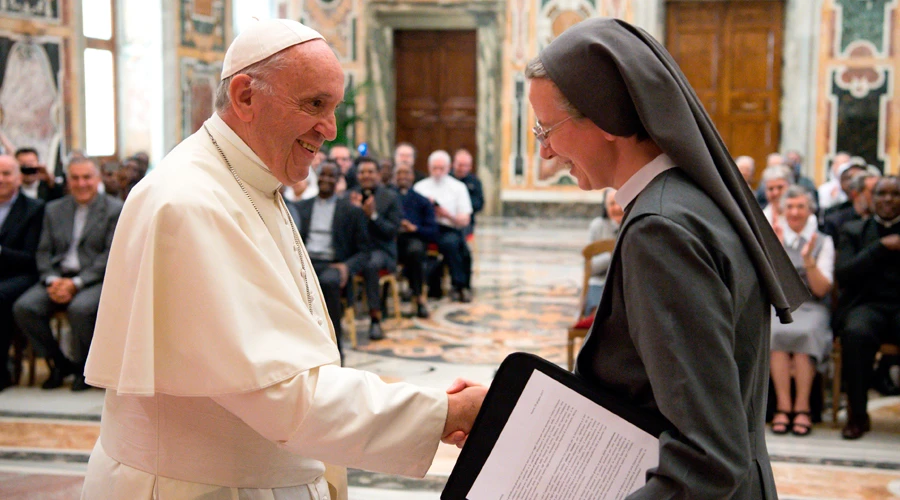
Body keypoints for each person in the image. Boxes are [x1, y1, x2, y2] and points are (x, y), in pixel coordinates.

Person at [81, 20, 485, 498]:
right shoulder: (189, 201)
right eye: (315, 104)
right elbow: (281, 392)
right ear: (246, 96)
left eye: (333, 108)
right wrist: (449, 413)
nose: (331, 129)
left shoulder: (249, 179)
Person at [527, 18, 807, 497]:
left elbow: (708, 458)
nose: (546, 150)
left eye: (546, 128)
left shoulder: (661, 230)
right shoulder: (687, 200)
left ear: (604, 118)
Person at [13, 157, 122, 391]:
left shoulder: (115, 209)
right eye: (75, 178)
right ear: (68, 182)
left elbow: (110, 255)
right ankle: (59, 363)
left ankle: (85, 369)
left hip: (94, 279)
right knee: (25, 307)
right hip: (58, 276)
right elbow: (43, 251)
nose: (81, 183)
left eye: (87, 177)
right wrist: (52, 280)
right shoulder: (54, 209)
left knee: (80, 309)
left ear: (97, 179)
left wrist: (76, 283)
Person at [833, 176, 900, 440]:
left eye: (895, 195)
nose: (888, 200)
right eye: (882, 194)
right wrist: (880, 247)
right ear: (872, 198)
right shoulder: (854, 230)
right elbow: (845, 274)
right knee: (856, 334)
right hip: (866, 305)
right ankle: (857, 416)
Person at [768, 186, 834, 437]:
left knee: (806, 333)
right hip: (783, 306)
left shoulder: (823, 241)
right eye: (790, 207)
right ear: (783, 211)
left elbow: (821, 289)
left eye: (800, 207)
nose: (795, 212)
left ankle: (803, 407)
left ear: (810, 210)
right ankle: (783, 407)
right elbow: (770, 285)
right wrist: (774, 249)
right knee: (775, 333)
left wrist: (808, 261)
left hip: (812, 306)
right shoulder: (775, 236)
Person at [295, 162, 371, 350]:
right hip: (305, 262)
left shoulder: (351, 211)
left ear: (338, 181)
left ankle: (333, 347)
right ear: (316, 178)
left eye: (331, 176)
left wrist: (346, 266)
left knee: (329, 282)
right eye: (323, 175)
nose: (326, 180)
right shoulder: (302, 207)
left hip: (333, 264)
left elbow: (364, 251)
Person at [0, 155, 45, 389]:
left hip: (20, 276)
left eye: (6, 174)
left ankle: (3, 369)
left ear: (18, 179)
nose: (1, 179)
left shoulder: (33, 209)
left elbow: (31, 257)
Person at [348, 156, 402, 341]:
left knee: (371, 265)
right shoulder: (351, 195)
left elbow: (391, 231)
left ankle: (375, 319)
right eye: (362, 172)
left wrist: (373, 215)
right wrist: (354, 213)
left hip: (382, 250)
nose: (366, 176)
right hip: (357, 249)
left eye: (370, 172)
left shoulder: (390, 197)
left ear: (378, 174)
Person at [414, 150, 474, 302]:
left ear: (449, 168)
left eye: (442, 168)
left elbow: (464, 219)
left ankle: (459, 285)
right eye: (435, 168)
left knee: (452, 244)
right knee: (414, 247)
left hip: (448, 227)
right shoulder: (419, 187)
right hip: (425, 229)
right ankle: (419, 286)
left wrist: (447, 215)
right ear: (429, 167)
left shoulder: (458, 187)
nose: (438, 172)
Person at [393, 161, 438, 318]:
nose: (402, 177)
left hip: (413, 240)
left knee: (416, 252)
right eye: (399, 173)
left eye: (406, 173)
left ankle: (419, 297)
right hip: (390, 240)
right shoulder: (387, 196)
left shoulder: (422, 201)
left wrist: (415, 228)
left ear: (412, 177)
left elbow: (433, 230)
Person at [584, 187, 622, 316]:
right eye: (612, 204)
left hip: (625, 284)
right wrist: (612, 255)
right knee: (598, 312)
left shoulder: (634, 224)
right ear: (605, 207)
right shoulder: (597, 226)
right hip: (599, 282)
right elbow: (590, 267)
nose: (617, 208)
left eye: (620, 202)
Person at [451, 148, 484, 237]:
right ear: (454, 164)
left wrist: (462, 204)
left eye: (466, 165)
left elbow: (479, 204)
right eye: (460, 165)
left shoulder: (475, 182)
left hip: (466, 221)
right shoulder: (447, 179)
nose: (463, 169)